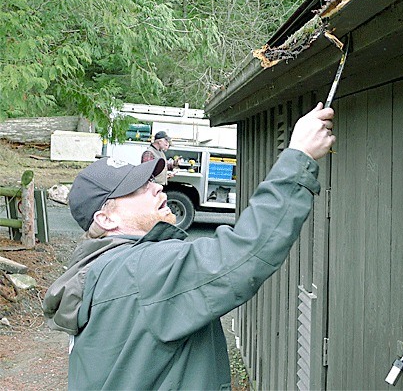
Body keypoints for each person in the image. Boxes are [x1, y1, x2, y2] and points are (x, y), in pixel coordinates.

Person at [43, 103, 336, 390]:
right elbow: (243, 254)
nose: (156, 187)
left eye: (149, 180)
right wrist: (299, 156)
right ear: (105, 219)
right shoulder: (140, 270)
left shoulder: (97, 272)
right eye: (137, 188)